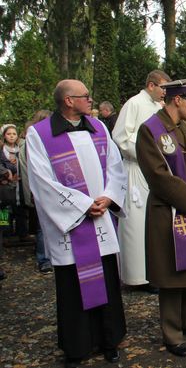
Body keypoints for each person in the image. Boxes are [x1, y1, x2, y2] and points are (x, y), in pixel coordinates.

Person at [26, 79, 127, 368]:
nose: (91, 100)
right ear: (69, 101)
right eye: (85, 96)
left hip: (101, 218)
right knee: (73, 287)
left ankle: (109, 340)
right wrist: (84, 206)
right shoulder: (40, 134)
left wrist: (108, 197)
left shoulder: (98, 127)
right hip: (72, 225)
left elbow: (115, 167)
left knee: (107, 281)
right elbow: (42, 181)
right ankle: (78, 345)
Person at [136, 78, 186, 358]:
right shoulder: (150, 130)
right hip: (169, 213)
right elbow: (158, 176)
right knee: (173, 274)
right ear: (177, 99)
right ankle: (172, 334)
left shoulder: (185, 129)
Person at [112, 69, 169, 291]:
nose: (165, 92)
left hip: (155, 172)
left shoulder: (159, 108)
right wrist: (147, 152)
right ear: (151, 85)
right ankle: (137, 276)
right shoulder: (134, 104)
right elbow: (121, 136)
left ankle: (154, 272)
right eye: (163, 87)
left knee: (155, 222)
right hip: (136, 170)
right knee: (136, 224)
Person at [19, 110, 54, 273]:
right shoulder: (32, 140)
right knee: (41, 226)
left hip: (52, 187)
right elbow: (31, 170)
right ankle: (43, 258)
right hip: (35, 189)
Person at [1, 124, 30, 243]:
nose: (12, 136)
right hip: (6, 185)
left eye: (14, 134)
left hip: (21, 184)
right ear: (4, 136)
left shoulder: (21, 148)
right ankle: (5, 234)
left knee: (21, 209)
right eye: (9, 134)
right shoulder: (1, 149)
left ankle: (22, 233)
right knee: (5, 210)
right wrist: (7, 173)